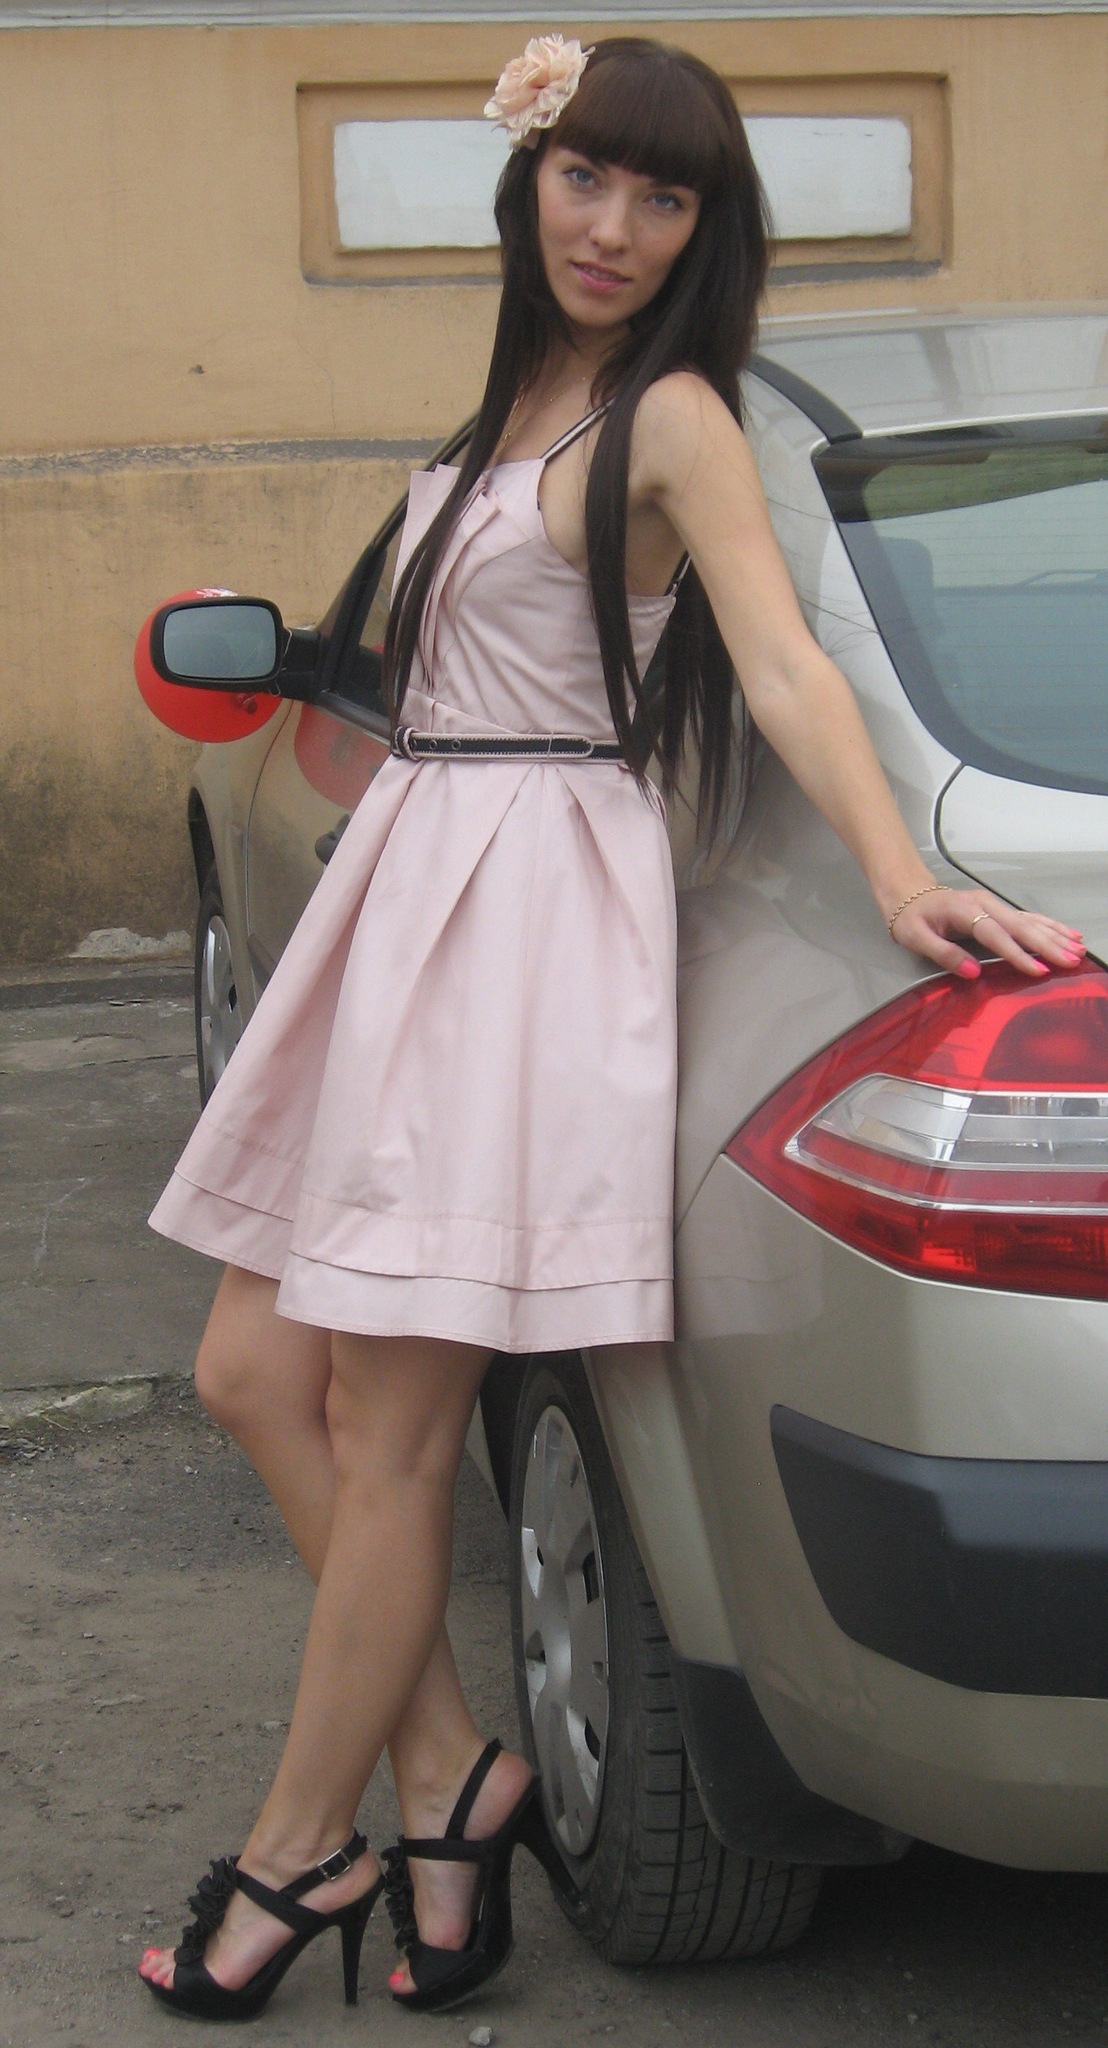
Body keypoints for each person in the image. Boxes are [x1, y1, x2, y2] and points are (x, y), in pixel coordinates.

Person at [137, 32, 1085, 2025]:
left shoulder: (675, 418)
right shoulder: (521, 399)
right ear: (527, 183)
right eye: (587, 177)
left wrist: (897, 875)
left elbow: (783, 662)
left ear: (701, 230)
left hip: (518, 923)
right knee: (252, 1367)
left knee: (394, 1434)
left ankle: (305, 1849)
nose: (616, 226)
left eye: (664, 196)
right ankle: (445, 1776)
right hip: (418, 894)